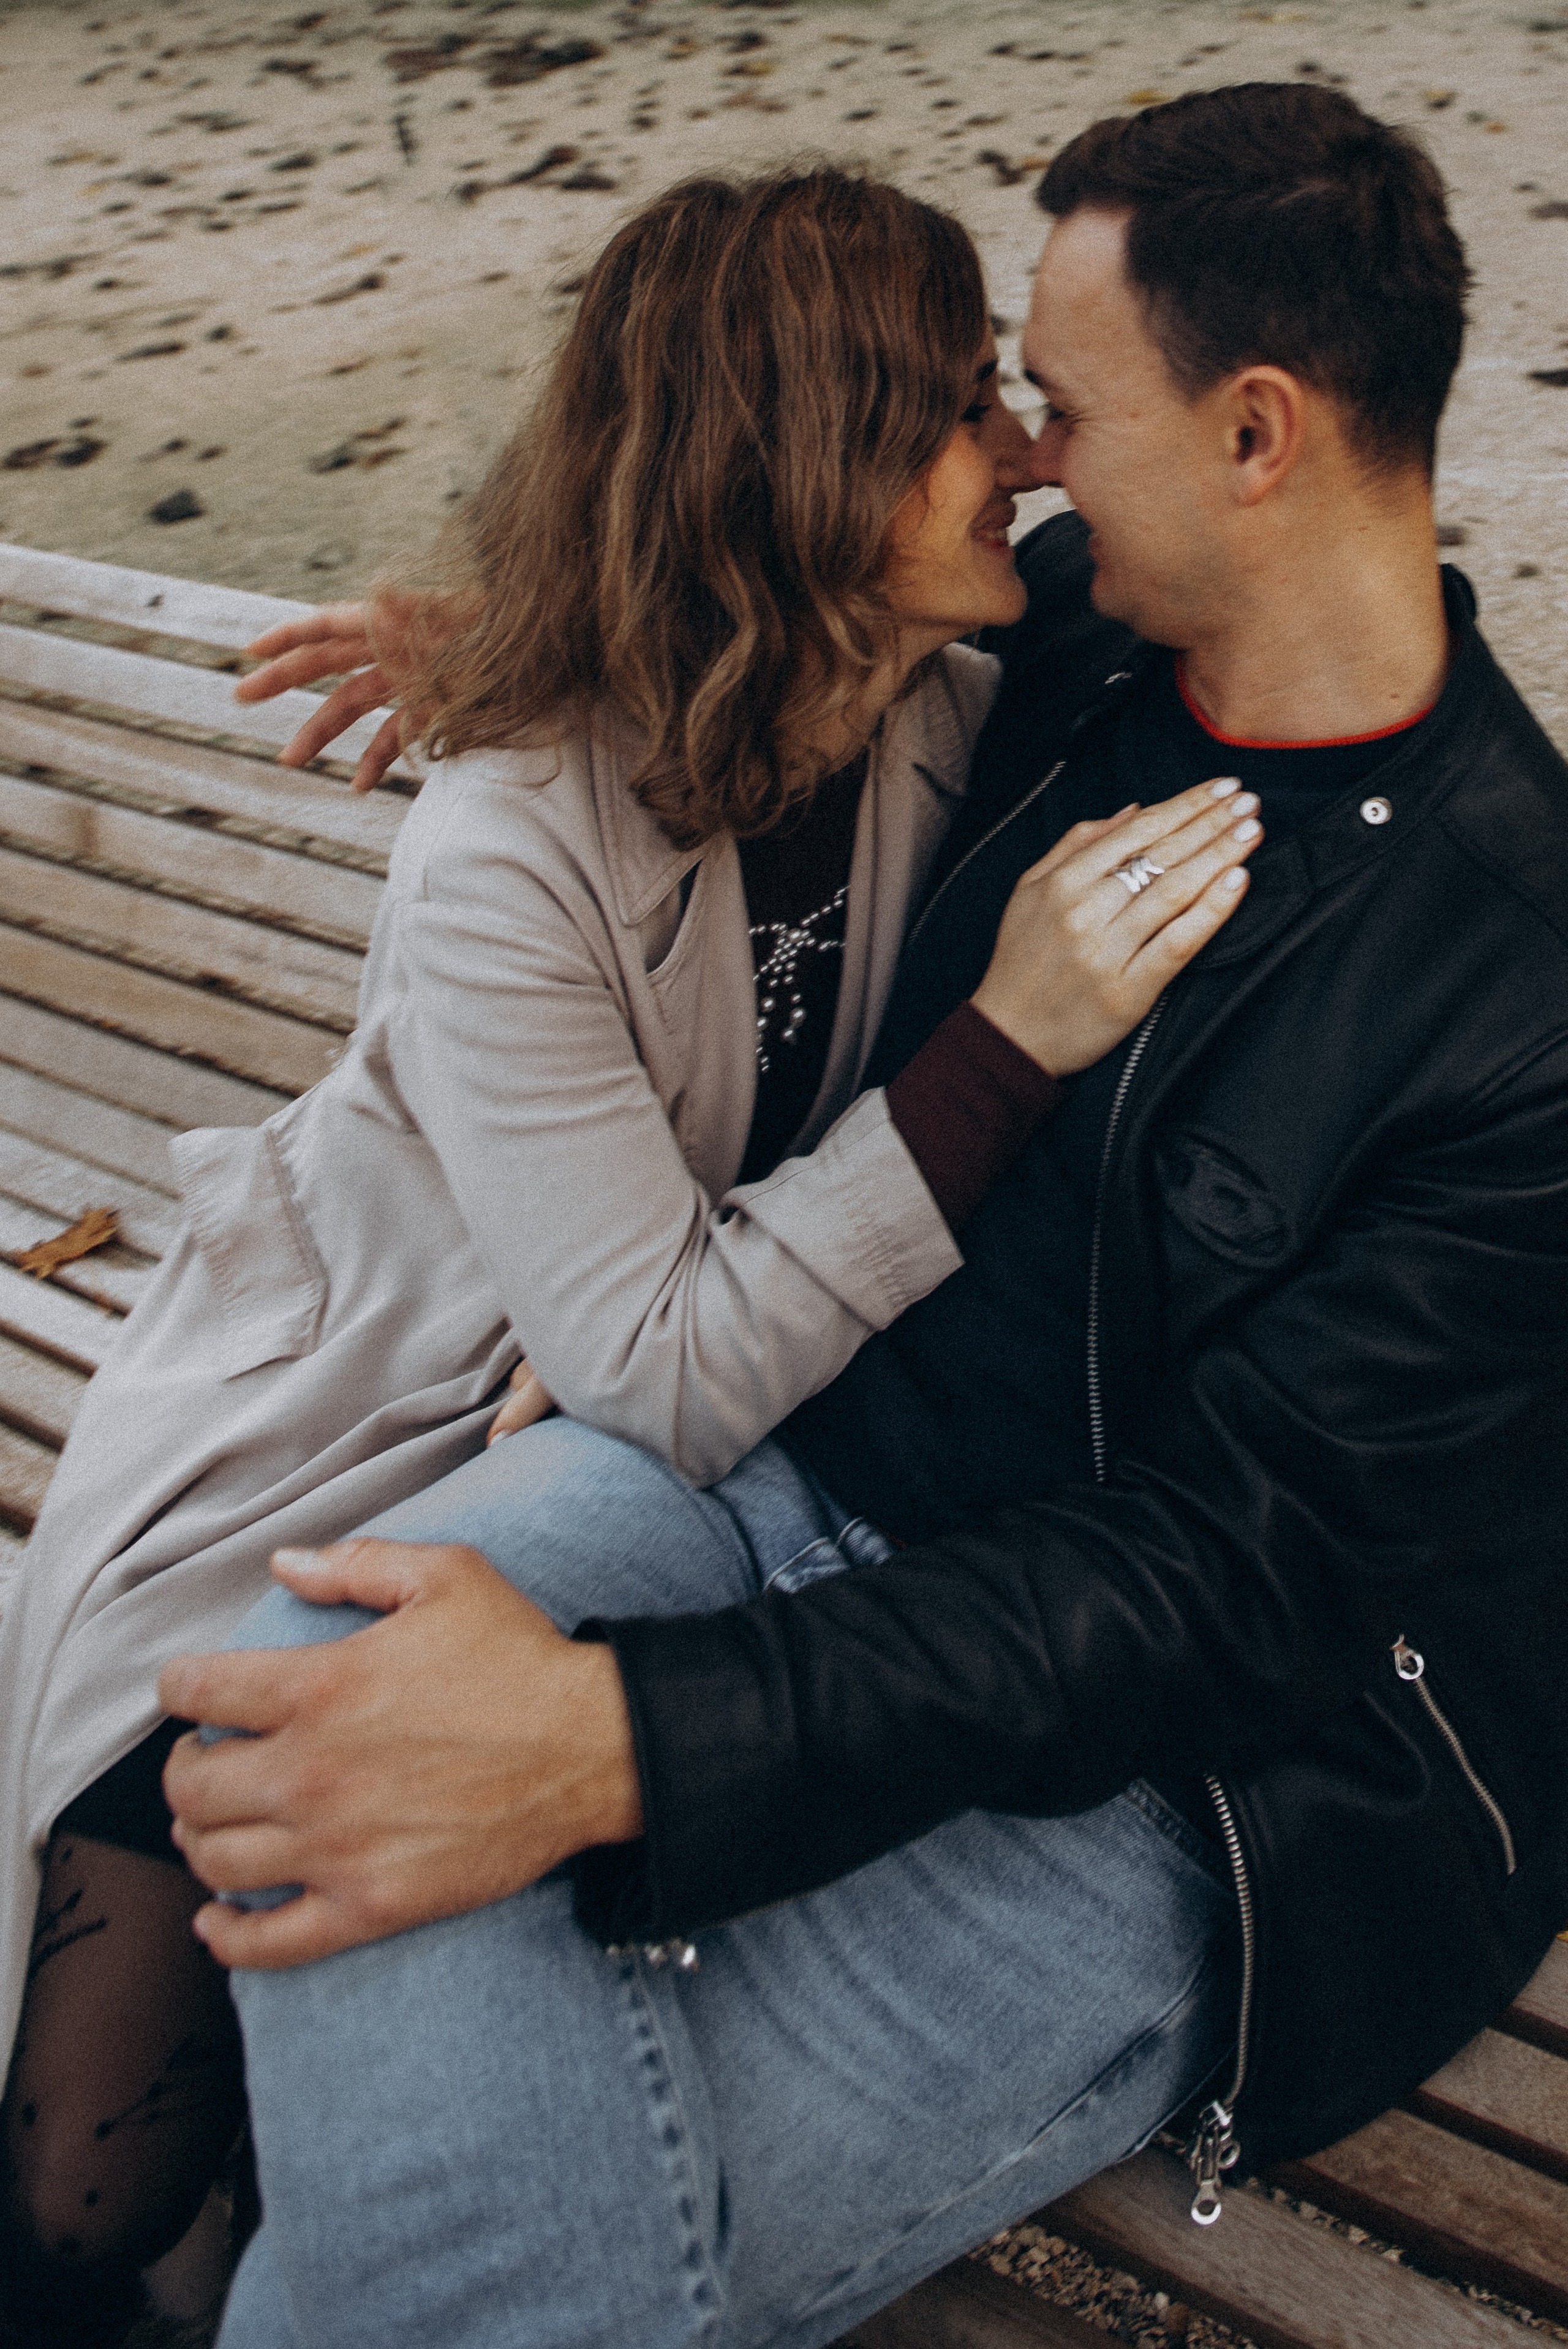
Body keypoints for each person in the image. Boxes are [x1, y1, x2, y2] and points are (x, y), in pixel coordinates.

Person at [160, 83, 1568, 2349]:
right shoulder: (1070, 659)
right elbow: (747, 585)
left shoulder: (1514, 982)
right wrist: (545, 644)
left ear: (1258, 436)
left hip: (1155, 1770)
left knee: (386, 2284)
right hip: (769, 1469)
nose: (1019, 451)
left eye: (1063, 402)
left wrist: (619, 1747)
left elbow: (1217, 1591)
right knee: (298, 1709)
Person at [0, 173, 1253, 2344]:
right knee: (91, 2178)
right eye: (960, 411)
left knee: (295, 2100)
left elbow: (1244, 545)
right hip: (358, 1401)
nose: (1026, 452)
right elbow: (658, 1368)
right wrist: (999, 1051)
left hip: (602, 1441)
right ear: (802, 470)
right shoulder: (506, 841)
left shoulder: (938, 705)